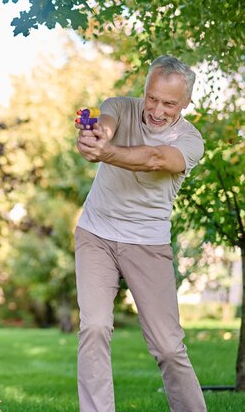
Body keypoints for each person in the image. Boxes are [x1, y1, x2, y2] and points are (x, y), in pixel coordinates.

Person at [74, 55, 207, 412]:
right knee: (95, 327)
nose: (157, 110)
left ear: (185, 103)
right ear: (144, 90)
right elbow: (107, 123)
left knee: (167, 346)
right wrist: (96, 136)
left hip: (147, 243)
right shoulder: (120, 106)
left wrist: (107, 153)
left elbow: (154, 159)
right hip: (96, 234)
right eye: (152, 98)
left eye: (169, 103)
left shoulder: (191, 140)